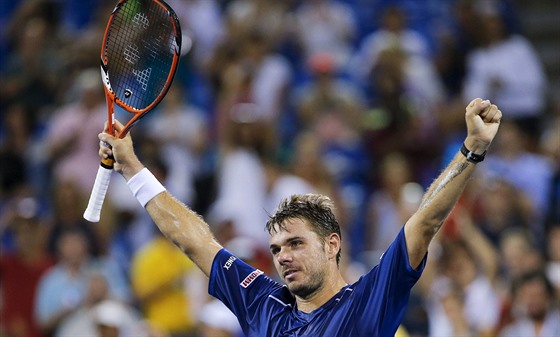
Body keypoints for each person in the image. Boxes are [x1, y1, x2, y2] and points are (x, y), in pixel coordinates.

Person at [96, 98, 501, 336]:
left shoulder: (367, 304)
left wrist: (471, 150)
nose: (282, 256)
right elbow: (194, 240)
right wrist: (131, 167)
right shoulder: (261, 303)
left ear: (332, 244)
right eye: (276, 248)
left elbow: (424, 223)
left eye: (295, 243)